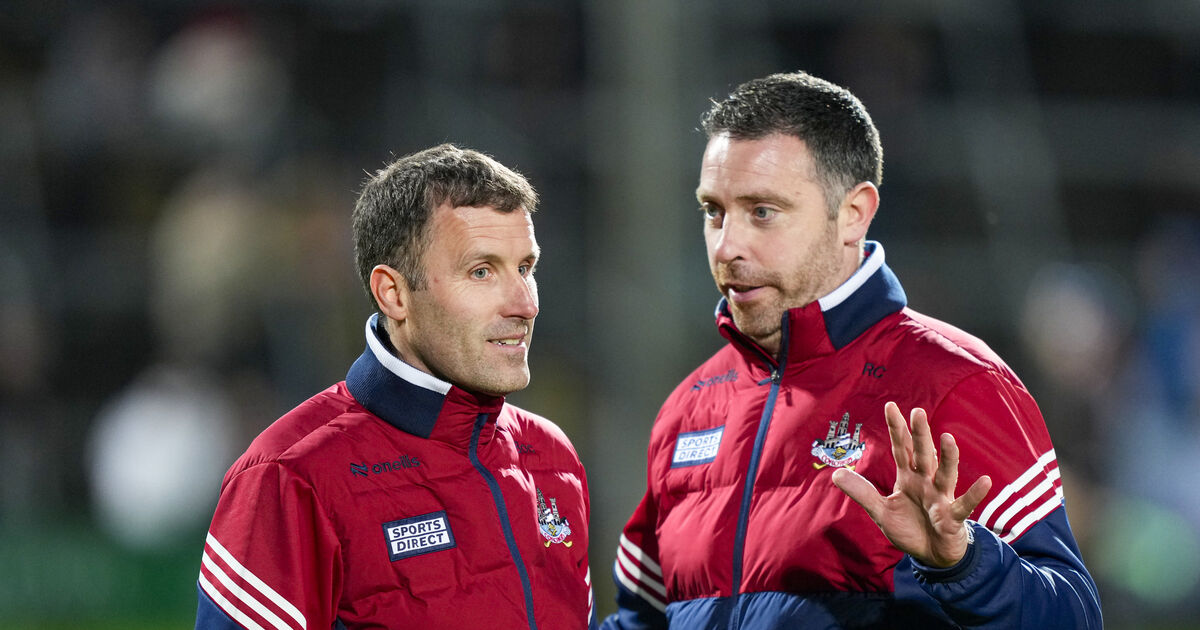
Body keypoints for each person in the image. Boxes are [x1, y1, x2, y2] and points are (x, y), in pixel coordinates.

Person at [601, 72, 1101, 629]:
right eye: (713, 211)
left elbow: (1073, 617)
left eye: (762, 211)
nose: (727, 246)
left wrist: (964, 565)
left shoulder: (954, 382)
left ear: (854, 213)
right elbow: (642, 621)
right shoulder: (688, 409)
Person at [194, 144, 595, 629]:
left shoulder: (552, 456)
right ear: (394, 293)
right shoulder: (289, 476)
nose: (525, 304)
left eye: (526, 269)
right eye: (482, 271)